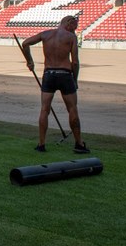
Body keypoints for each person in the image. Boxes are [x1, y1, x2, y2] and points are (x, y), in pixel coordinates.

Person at [21, 15, 89, 153]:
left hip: (49, 74)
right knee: (72, 109)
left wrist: (30, 61)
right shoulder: (71, 38)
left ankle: (41, 144)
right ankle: (79, 144)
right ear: (69, 23)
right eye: (74, 27)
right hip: (65, 75)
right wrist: (74, 80)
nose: (74, 31)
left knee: (44, 109)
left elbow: (25, 43)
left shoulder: (46, 34)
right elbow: (75, 62)